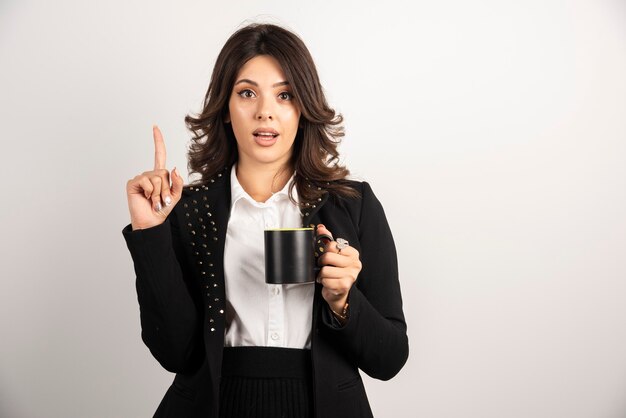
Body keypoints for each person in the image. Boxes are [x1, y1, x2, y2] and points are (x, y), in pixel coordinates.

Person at [123, 22, 408, 418]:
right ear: (225, 107)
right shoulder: (185, 210)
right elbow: (175, 352)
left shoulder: (352, 205)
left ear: (303, 107)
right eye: (247, 93)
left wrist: (343, 301)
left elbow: (390, 358)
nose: (265, 111)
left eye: (285, 94)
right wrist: (149, 232)